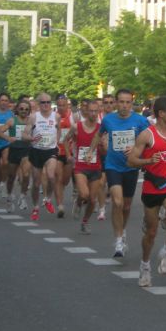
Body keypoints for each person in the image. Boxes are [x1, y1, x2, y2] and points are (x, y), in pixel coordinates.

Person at [127, 96, 166, 288]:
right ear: (161, 114)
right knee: (151, 232)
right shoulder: (147, 135)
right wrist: (148, 161)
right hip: (153, 186)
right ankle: (145, 265)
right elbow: (131, 160)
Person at [89, 89, 150, 257]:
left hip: (131, 167)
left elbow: (151, 141)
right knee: (117, 202)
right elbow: (98, 135)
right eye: (121, 102)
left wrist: (136, 148)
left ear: (132, 103)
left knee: (127, 205)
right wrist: (90, 151)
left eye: (128, 102)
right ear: (116, 103)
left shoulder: (141, 121)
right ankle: (117, 240)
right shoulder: (108, 120)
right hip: (113, 165)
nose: (124, 105)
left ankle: (122, 232)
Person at [64, 99, 103, 235]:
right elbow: (65, 140)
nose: (92, 113)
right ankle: (79, 202)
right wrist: (68, 155)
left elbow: (104, 147)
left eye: (95, 111)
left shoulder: (101, 128)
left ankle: (85, 221)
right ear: (86, 111)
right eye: (90, 111)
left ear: (98, 112)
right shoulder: (77, 126)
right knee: (85, 194)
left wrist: (104, 146)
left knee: (92, 199)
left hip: (95, 166)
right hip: (80, 165)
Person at [24, 92, 61, 221]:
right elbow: (25, 135)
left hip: (50, 150)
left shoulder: (56, 116)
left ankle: (47, 199)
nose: (46, 105)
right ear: (39, 104)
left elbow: (59, 130)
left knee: (51, 176)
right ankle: (35, 207)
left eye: (48, 102)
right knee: (36, 183)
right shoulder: (34, 117)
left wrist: (56, 142)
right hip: (36, 151)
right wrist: (32, 138)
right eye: (43, 102)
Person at [3, 99, 32, 212]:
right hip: (14, 150)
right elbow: (0, 131)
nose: (24, 111)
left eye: (26, 109)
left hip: (27, 150)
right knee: (11, 177)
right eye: (21, 109)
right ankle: (10, 197)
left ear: (29, 111)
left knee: (25, 175)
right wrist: (7, 138)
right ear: (17, 110)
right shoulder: (11, 121)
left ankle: (23, 196)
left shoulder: (31, 121)